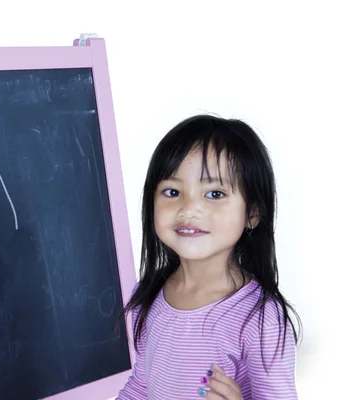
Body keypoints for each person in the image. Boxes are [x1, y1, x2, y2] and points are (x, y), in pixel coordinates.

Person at [116, 115, 302, 399]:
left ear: (252, 213)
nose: (189, 208)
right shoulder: (147, 294)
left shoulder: (261, 319)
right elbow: (141, 386)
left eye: (214, 193)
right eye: (172, 191)